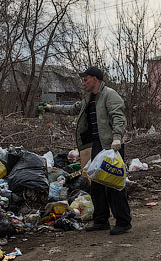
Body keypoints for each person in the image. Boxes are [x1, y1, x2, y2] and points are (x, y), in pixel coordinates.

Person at [40, 66, 132, 235]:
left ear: (95, 79)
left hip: (111, 146)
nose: (83, 83)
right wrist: (49, 108)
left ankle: (123, 221)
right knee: (96, 183)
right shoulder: (89, 98)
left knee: (113, 184)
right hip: (95, 146)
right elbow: (73, 109)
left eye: (85, 79)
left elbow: (118, 117)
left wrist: (117, 138)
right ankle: (101, 220)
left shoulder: (110, 95)